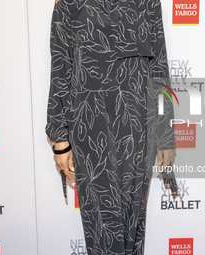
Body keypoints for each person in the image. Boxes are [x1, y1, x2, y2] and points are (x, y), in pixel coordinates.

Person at [46, 0, 178, 254]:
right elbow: (60, 66)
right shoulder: (69, 2)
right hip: (91, 124)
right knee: (103, 228)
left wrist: (165, 134)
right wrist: (59, 137)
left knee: (132, 225)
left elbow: (159, 66)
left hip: (139, 123)